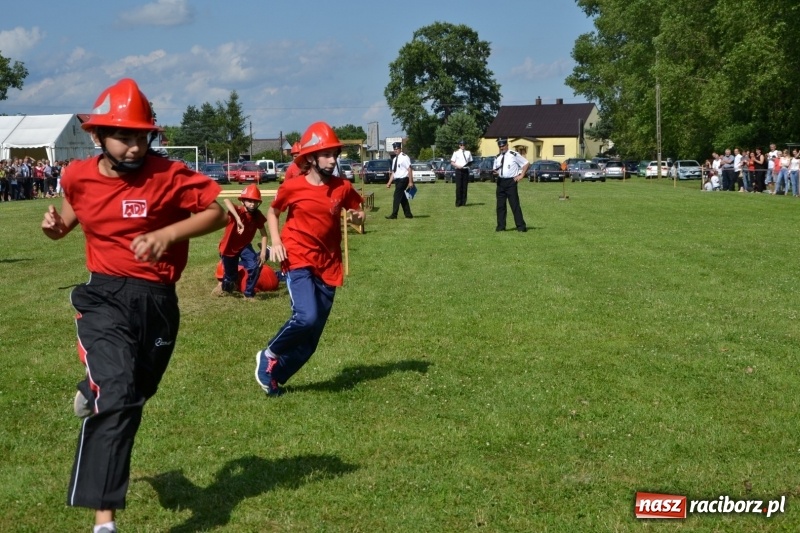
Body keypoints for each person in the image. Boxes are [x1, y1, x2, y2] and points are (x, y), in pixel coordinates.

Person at [40, 78, 227, 533]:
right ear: (98, 136)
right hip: (104, 297)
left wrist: (168, 234)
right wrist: (56, 227)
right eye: (124, 136)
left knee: (135, 393)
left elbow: (217, 212)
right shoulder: (77, 175)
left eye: (142, 136)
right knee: (120, 394)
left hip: (157, 302)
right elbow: (72, 214)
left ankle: (93, 390)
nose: (135, 146)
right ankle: (104, 520)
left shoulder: (168, 175)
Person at [255, 121, 364, 397]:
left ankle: (274, 377)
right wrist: (276, 241)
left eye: (334, 154)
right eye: (326, 154)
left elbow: (358, 210)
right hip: (297, 256)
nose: (332, 160)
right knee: (306, 317)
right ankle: (269, 355)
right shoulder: (293, 187)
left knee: (310, 340)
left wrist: (357, 217)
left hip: (329, 264)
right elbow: (273, 212)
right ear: (312, 157)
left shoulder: (342, 187)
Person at [214, 184, 268, 299]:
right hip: (229, 248)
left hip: (244, 246)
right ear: (243, 201)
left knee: (255, 265)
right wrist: (238, 219)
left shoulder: (257, 215)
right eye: (249, 201)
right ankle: (225, 285)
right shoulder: (238, 211)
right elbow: (226, 200)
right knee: (231, 279)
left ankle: (248, 294)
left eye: (255, 201)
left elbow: (264, 234)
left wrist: (263, 252)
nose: (252, 204)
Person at [492, 138, 529, 232]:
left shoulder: (514, 154)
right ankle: (501, 226)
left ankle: (521, 226)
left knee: (514, 204)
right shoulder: (497, 157)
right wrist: (495, 172)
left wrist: (521, 175)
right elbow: (496, 169)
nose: (501, 148)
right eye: (500, 146)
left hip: (510, 182)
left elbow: (526, 163)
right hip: (500, 182)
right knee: (500, 206)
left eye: (503, 146)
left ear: (507, 145)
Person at [385, 141, 414, 219]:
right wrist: (389, 182)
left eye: (397, 148)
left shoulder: (404, 157)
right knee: (402, 197)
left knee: (396, 196)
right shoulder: (395, 159)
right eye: (395, 149)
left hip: (404, 179)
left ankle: (394, 215)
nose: (396, 150)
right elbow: (394, 172)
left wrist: (410, 181)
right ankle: (408, 214)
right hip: (397, 180)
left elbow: (409, 169)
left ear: (400, 149)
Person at [450, 139, 473, 207]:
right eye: (461, 145)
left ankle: (463, 202)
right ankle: (458, 202)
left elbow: (471, 161)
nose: (462, 146)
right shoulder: (456, 152)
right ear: (459, 145)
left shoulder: (468, 152)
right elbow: (452, 162)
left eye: (464, 145)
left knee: (465, 187)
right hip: (458, 170)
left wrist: (469, 165)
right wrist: (458, 166)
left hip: (465, 170)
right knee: (459, 187)